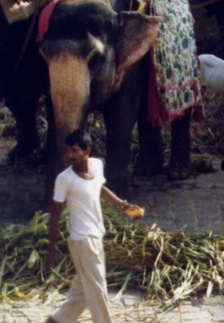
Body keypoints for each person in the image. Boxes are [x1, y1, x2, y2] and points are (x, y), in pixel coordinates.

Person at [46, 129, 142, 323]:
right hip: (82, 241)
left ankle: (58, 320)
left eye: (74, 151)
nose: (69, 155)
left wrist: (123, 205)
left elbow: (100, 188)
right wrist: (51, 250)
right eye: (67, 151)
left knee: (82, 289)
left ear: (87, 151)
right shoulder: (64, 179)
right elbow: (54, 215)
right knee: (98, 289)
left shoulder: (97, 166)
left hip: (96, 236)